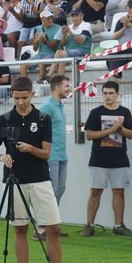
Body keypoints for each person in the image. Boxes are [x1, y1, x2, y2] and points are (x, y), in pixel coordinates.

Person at [0, 76, 84, 263]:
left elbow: (46, 153)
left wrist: (31, 149)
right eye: (16, 98)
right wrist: (2, 157)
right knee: (20, 229)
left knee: (54, 227)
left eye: (24, 97)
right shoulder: (4, 119)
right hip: (16, 181)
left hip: (40, 178)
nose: (20, 102)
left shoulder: (42, 119)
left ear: (32, 94)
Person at [82, 80, 132, 236]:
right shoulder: (95, 112)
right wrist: (110, 130)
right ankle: (89, 225)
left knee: (119, 192)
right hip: (99, 159)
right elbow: (89, 135)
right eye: (105, 93)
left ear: (117, 94)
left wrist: (120, 129)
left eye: (111, 93)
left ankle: (119, 225)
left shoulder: (125, 112)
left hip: (119, 159)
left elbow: (131, 134)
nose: (108, 96)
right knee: (95, 192)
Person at [39, 75, 72, 239]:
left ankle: (51, 226)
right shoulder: (47, 107)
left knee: (59, 190)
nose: (69, 88)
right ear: (57, 88)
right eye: (66, 86)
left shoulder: (59, 105)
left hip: (61, 155)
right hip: (51, 156)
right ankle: (41, 228)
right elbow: (37, 130)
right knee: (50, 192)